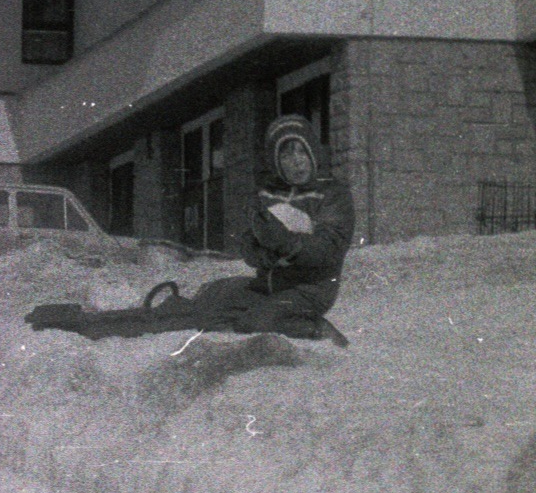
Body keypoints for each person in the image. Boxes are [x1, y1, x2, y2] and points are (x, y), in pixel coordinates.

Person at [26, 114, 356, 342]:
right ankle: (90, 322)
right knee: (210, 301)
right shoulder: (270, 194)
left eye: (300, 151)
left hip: (309, 290)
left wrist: (284, 242)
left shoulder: (333, 194)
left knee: (253, 323)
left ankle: (316, 329)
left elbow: (327, 252)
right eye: (286, 154)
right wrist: (260, 249)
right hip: (271, 283)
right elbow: (251, 249)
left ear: (313, 153)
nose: (294, 161)